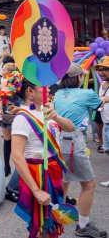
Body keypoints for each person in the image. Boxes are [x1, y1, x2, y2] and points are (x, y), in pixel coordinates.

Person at [11, 77, 75, 238]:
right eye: (43, 87)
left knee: (49, 224)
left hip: (52, 171)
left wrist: (56, 117)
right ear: (30, 91)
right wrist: (36, 190)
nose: (48, 89)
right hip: (38, 174)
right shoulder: (22, 118)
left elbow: (71, 127)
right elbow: (17, 156)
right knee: (42, 225)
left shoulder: (46, 110)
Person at [54, 63, 108, 237]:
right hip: (74, 141)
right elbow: (100, 102)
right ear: (78, 77)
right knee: (89, 185)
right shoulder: (87, 93)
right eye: (82, 76)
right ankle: (83, 225)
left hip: (58, 141)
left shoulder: (58, 94)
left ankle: (57, 217)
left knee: (64, 179)